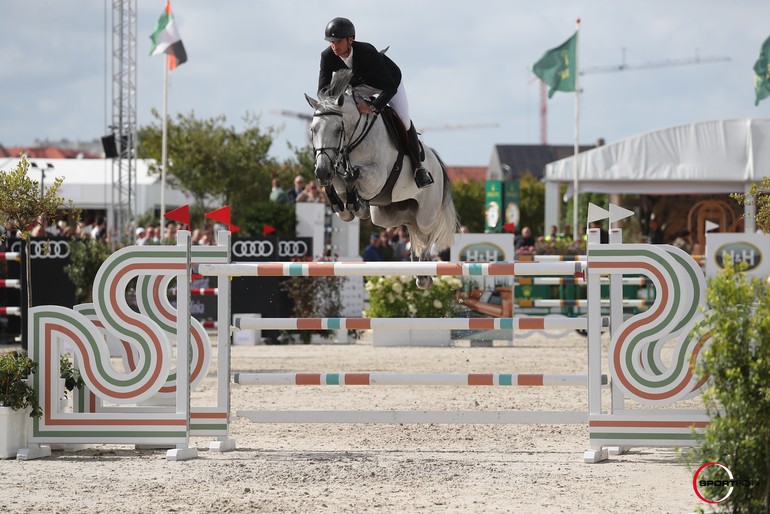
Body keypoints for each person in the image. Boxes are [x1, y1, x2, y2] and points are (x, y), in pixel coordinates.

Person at [318, 17, 433, 189]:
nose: (334, 46)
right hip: (358, 87)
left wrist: (373, 107)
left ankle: (419, 168)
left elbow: (389, 87)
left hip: (388, 83)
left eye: (339, 41)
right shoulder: (327, 57)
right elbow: (322, 91)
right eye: (331, 42)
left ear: (351, 39)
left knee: (403, 119)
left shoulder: (367, 52)